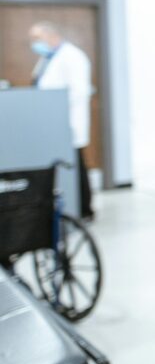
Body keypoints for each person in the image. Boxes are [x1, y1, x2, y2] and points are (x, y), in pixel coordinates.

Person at [29, 21, 94, 221]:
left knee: (76, 166)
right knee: (65, 166)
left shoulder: (72, 56)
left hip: (67, 121)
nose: (34, 43)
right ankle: (69, 208)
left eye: (36, 38)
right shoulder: (48, 58)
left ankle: (84, 210)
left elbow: (80, 91)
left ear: (51, 36)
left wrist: (56, 111)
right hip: (52, 122)